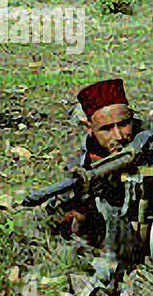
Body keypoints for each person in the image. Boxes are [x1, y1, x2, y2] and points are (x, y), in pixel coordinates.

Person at [51, 78, 142, 244]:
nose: (118, 136)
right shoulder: (79, 162)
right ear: (89, 127)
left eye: (123, 124)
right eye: (106, 129)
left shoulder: (149, 139)